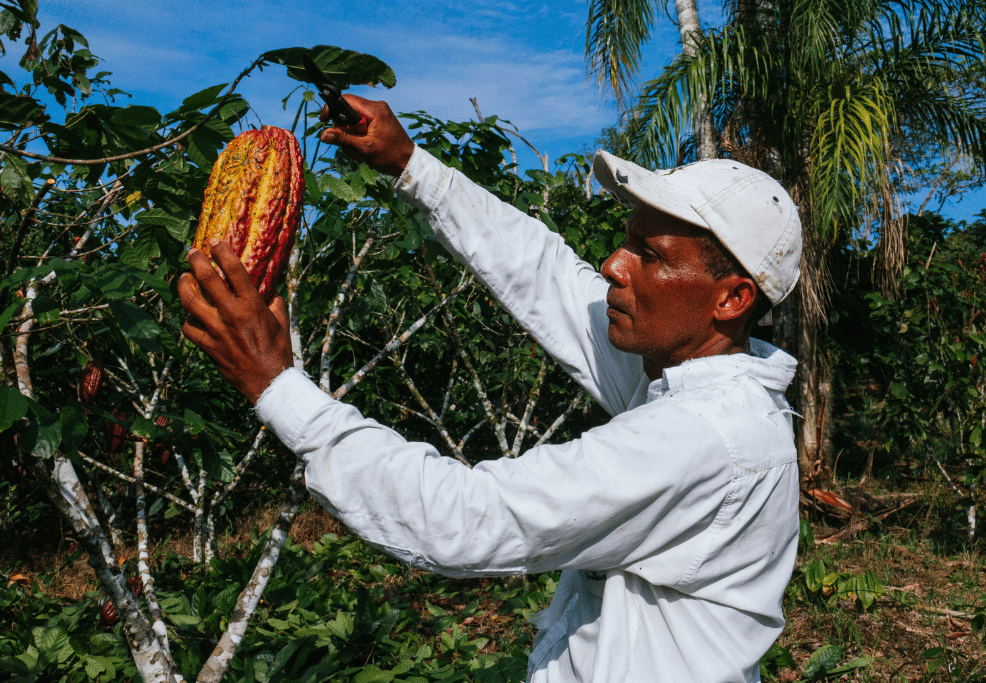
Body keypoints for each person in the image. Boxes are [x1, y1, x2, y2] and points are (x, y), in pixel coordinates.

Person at [179, 95, 803, 683]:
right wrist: (409, 165)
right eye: (626, 241)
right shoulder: (679, 372)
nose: (615, 264)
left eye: (650, 254)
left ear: (731, 298)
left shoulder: (704, 437)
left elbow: (467, 519)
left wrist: (277, 386)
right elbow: (542, 272)